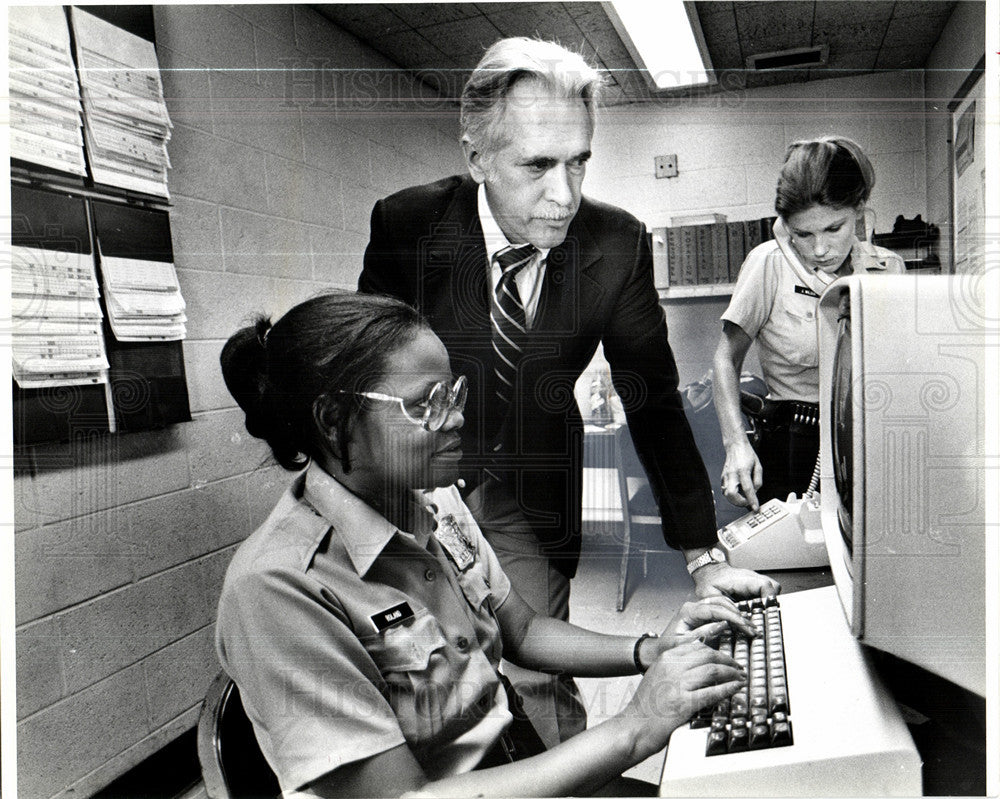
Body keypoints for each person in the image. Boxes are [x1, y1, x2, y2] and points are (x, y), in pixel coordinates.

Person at [358, 37, 778, 747]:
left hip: (529, 482)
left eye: (580, 160)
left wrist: (703, 556)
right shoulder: (409, 224)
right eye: (537, 165)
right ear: (477, 156)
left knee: (535, 678)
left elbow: (654, 398)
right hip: (415, 484)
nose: (564, 195)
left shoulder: (615, 243)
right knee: (434, 679)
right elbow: (363, 371)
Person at [216, 291, 756, 798]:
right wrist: (636, 727)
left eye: (454, 393)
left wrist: (646, 651)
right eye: (426, 405)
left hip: (513, 761)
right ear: (333, 420)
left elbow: (522, 630)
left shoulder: (433, 499)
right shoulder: (277, 588)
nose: (456, 419)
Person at [713, 136, 905, 511]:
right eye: (803, 234)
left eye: (834, 229)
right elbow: (725, 360)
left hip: (871, 441)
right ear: (784, 227)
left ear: (860, 212)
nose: (819, 249)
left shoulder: (889, 267)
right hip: (794, 442)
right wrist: (736, 444)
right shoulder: (769, 264)